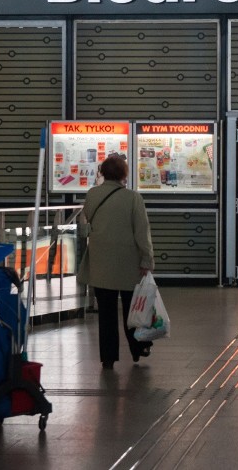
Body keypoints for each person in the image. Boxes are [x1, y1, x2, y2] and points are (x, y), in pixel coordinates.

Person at [78, 154, 155, 370]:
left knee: (106, 313)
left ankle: (108, 357)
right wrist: (147, 258)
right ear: (124, 174)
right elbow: (142, 232)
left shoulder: (92, 195)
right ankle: (137, 347)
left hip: (100, 262)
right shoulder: (133, 198)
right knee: (134, 310)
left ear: (102, 172)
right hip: (129, 263)